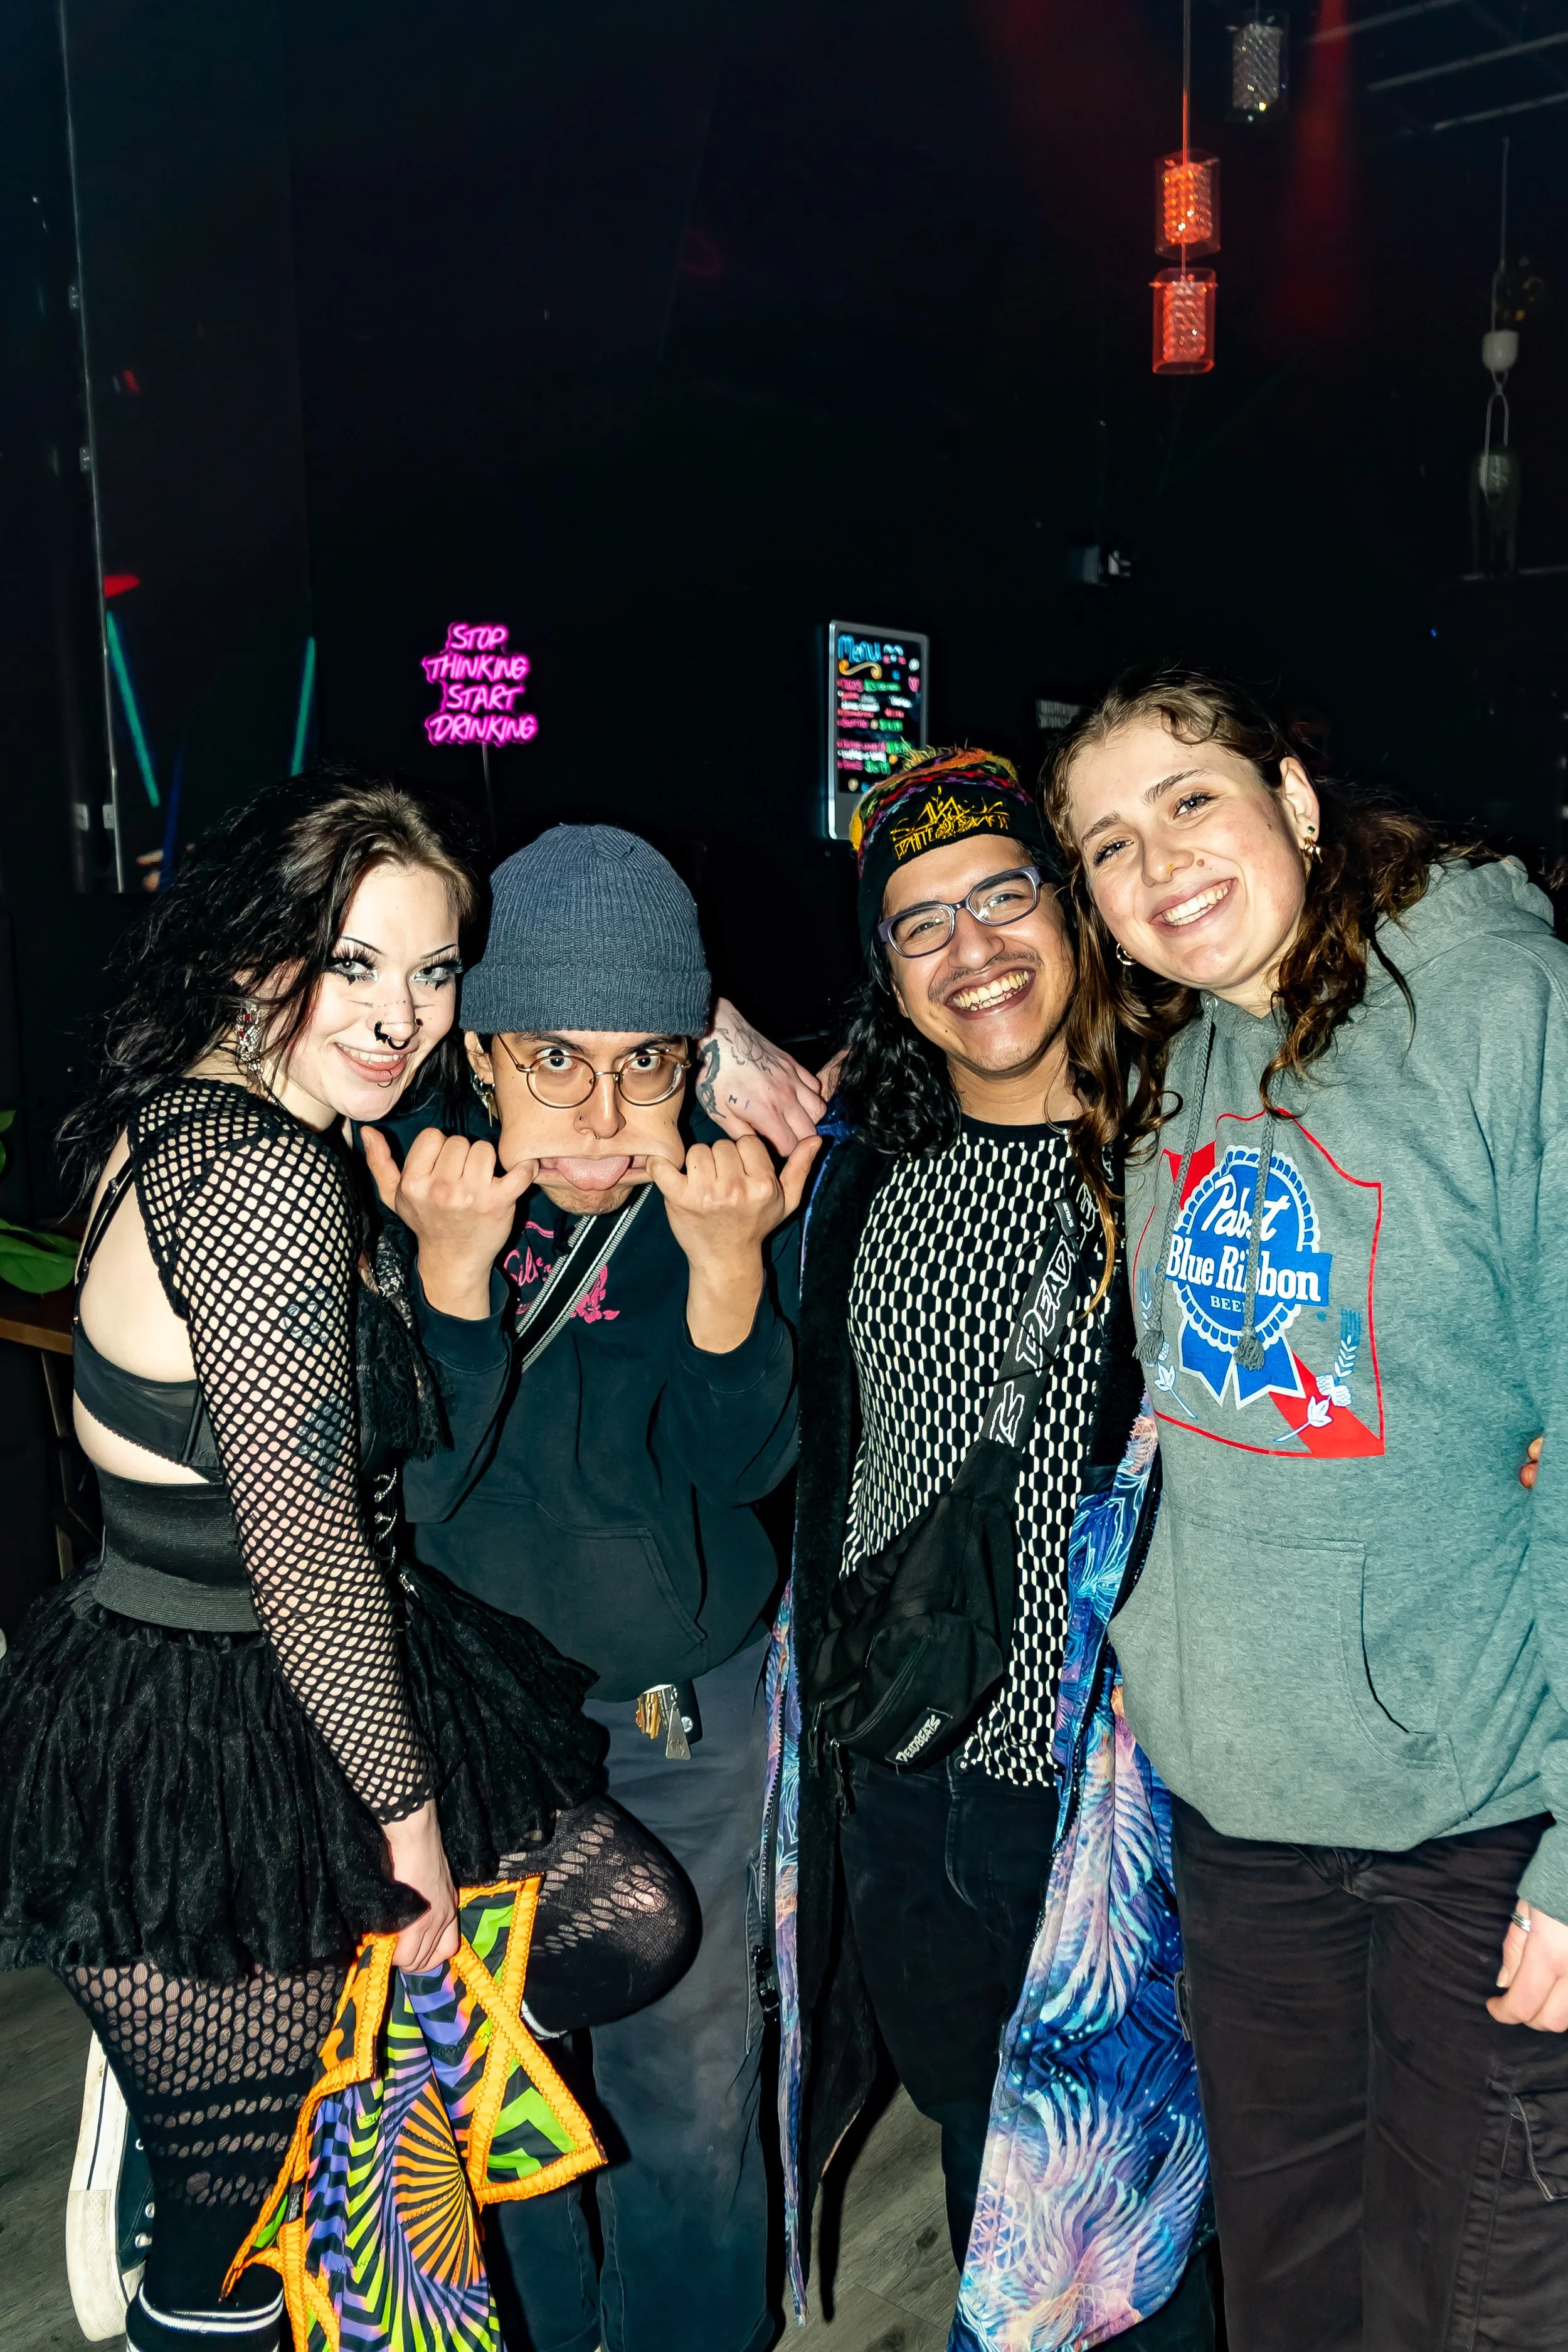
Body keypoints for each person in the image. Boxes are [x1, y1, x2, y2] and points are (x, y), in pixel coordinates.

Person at [0, 775, 691, 2352]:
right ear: (257, 956)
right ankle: (192, 2100)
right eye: (354, 963)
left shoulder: (231, 1117)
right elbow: (305, 1546)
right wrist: (413, 1847)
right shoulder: (252, 1170)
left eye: (434, 971)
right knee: (230, 2250)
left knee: (618, 1922)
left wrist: (726, 1051)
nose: (400, 1016)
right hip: (223, 1691)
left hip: (289, 1656)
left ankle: (236, 2066)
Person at [1046, 665, 1568, 2349]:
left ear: (1292, 792)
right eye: (1106, 844)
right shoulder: (1161, 1067)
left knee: (1475, 2293)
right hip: (1243, 1815)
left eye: (1188, 798)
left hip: (1477, 1809)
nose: (1155, 863)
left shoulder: (1500, 1006)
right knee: (1288, 2277)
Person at [784, 746, 1214, 2342]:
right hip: (905, 1779)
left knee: (1146, 2204)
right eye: (918, 927)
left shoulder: (1179, 1151)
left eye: (1001, 896)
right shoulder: (856, 1181)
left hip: (1112, 1797)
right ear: (886, 974)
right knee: (989, 2183)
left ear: (1072, 909)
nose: (970, 952)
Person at [373, 822, 816, 2352]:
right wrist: (447, 1281)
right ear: (482, 1054)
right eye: (553, 1058)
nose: (601, 1105)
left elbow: (741, 1455)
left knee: (684, 2082)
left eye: (644, 1061)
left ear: (690, 1060)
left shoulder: (717, 1193)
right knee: (501, 2094)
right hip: (477, 1727)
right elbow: (419, 1494)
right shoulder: (409, 1197)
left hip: (678, 1710)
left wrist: (728, 1273)